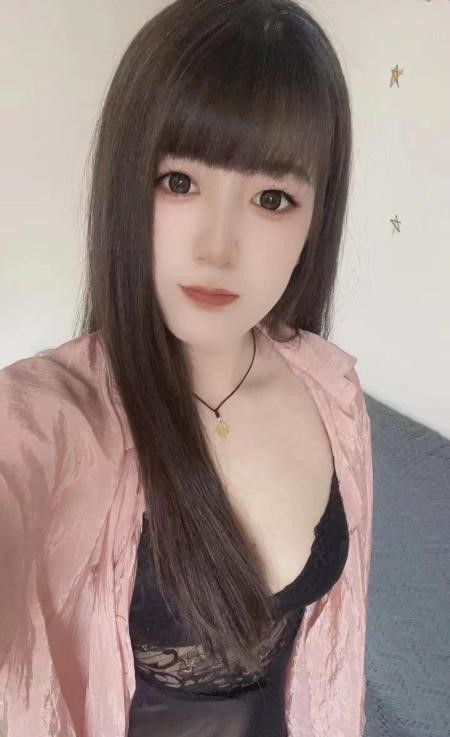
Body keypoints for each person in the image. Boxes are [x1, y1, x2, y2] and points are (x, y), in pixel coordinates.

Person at [0, 1, 374, 735]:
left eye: (271, 198)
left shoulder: (334, 390)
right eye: (178, 182)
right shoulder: (51, 415)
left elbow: (334, 659)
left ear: (316, 218)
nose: (216, 248)